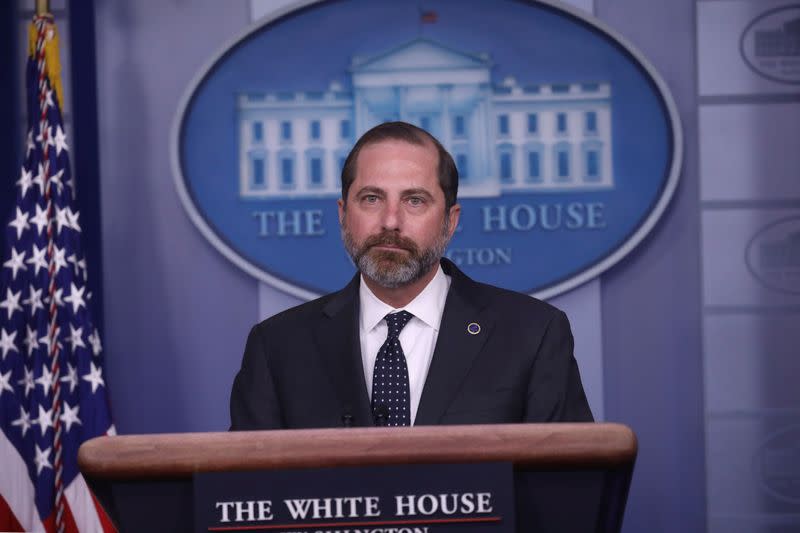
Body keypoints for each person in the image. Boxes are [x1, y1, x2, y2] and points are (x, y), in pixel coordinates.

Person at [230, 121, 593, 429]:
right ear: (343, 214)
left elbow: (568, 491)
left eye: (414, 200)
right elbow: (246, 496)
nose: (390, 221)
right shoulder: (277, 348)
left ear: (451, 222)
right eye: (371, 198)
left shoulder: (532, 335)